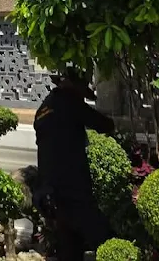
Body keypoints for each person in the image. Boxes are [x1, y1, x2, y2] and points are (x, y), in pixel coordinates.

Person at [33, 70, 115, 261]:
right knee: (104, 240)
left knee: (70, 247)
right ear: (73, 87)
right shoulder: (70, 102)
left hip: (51, 194)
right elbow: (104, 125)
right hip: (73, 191)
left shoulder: (43, 109)